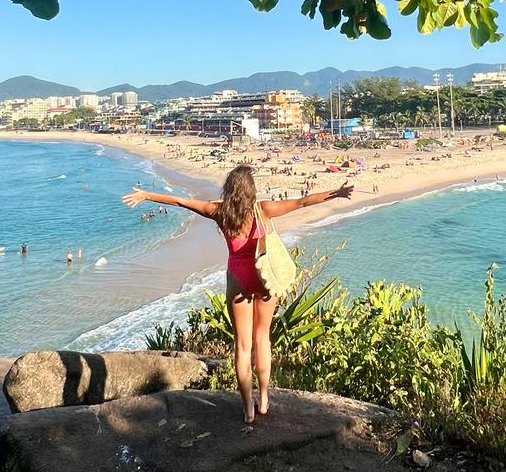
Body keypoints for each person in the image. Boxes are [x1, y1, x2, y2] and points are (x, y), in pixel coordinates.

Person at [123, 165, 353, 424]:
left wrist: (146, 196)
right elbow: (302, 202)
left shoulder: (219, 211)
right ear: (251, 189)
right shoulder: (263, 210)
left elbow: (179, 201)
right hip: (263, 277)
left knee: (243, 346)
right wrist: (337, 193)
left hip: (238, 279)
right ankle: (264, 399)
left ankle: (248, 409)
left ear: (229, 189)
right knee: (263, 339)